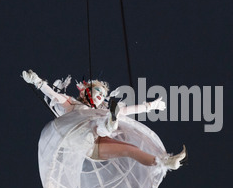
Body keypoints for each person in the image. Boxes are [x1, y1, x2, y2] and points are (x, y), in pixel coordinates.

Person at [22, 69, 186, 169]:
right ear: (85, 91)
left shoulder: (101, 111)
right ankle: (108, 125)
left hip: (94, 146)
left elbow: (127, 110)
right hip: (80, 139)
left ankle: (165, 163)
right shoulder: (72, 104)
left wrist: (151, 106)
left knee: (130, 149)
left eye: (103, 95)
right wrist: (37, 81)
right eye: (98, 92)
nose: (101, 96)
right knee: (100, 119)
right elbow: (54, 96)